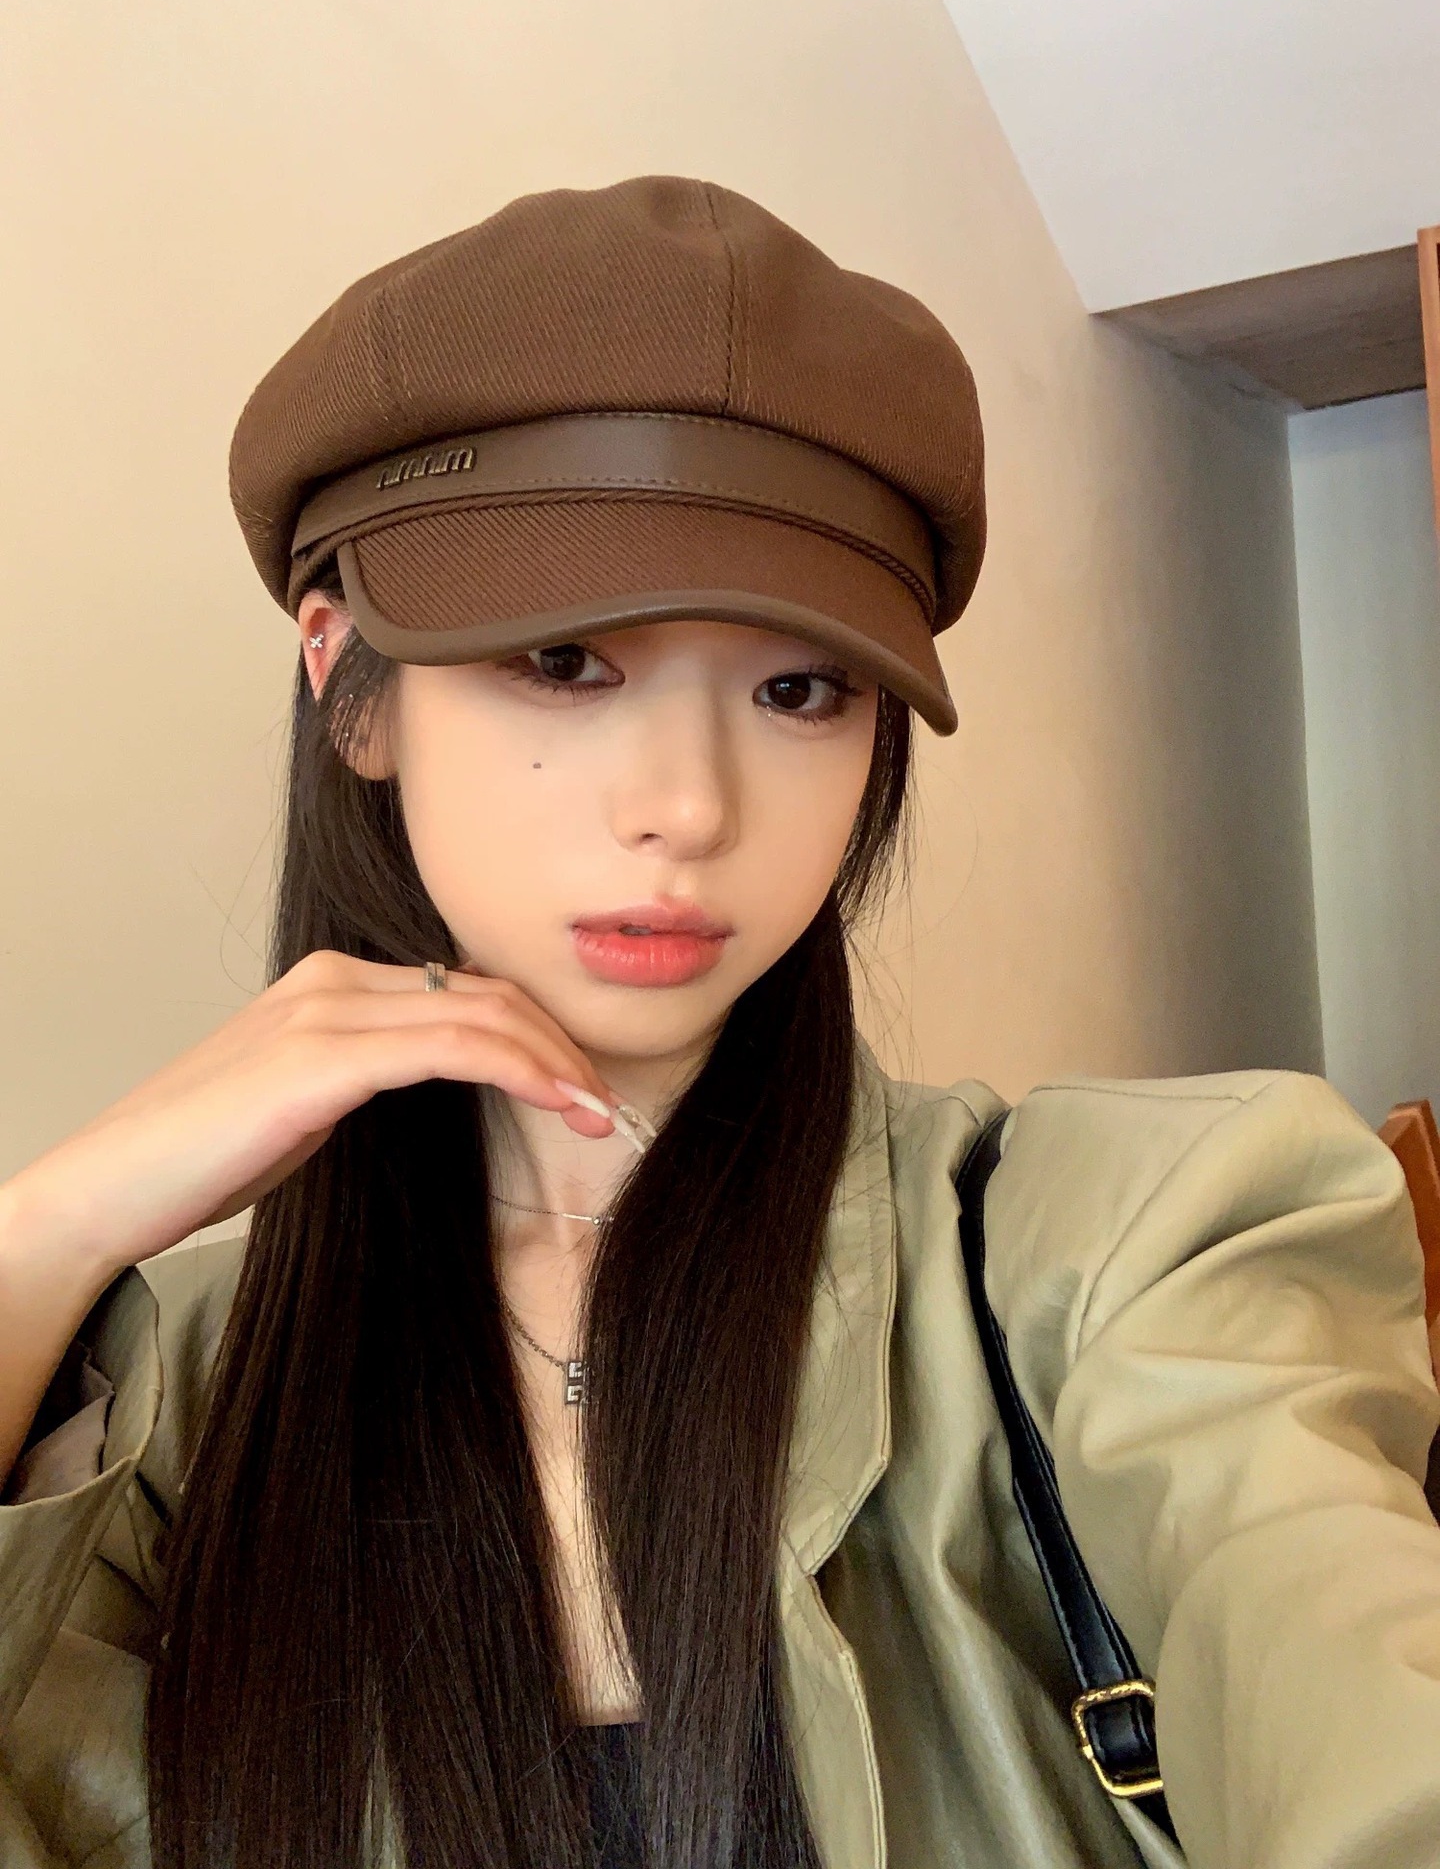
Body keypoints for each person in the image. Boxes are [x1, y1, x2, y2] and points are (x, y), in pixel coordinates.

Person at [1, 175, 1438, 1869]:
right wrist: (50, 1230)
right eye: (565, 659)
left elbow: (1350, 1683)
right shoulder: (164, 1397)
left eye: (797, 688)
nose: (688, 805)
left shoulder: (1124, 1248)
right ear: (347, 683)